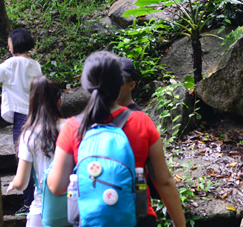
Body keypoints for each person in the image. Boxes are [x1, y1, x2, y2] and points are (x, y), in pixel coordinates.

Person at [47, 51, 186, 227]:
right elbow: (164, 181)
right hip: (137, 219)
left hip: (91, 221)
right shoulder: (141, 122)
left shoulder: (73, 127)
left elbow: (57, 186)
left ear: (86, 85)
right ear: (120, 83)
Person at [0, 27, 43, 216]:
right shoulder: (35, 64)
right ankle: (37, 198)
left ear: (15, 44)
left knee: (24, 158)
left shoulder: (12, 63)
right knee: (35, 157)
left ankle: (28, 202)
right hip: (36, 114)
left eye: (9, 42)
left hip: (21, 117)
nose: (8, 45)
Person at [5, 76, 66, 227]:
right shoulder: (73, 128)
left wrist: (14, 184)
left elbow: (22, 183)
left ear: (32, 104)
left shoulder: (29, 135)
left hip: (43, 208)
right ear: (60, 101)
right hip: (74, 205)